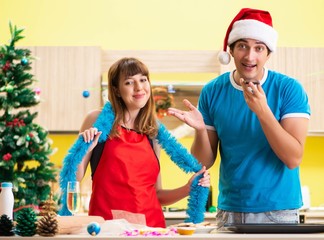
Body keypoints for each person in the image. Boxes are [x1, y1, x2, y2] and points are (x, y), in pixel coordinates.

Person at [168, 8, 310, 227]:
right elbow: (203, 163)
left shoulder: (288, 89)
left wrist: (263, 112)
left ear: (268, 53)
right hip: (229, 212)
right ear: (231, 51)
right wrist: (199, 130)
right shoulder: (213, 91)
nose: (250, 56)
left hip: (278, 211)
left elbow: (293, 158)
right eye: (242, 46)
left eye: (259, 48)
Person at [76, 57, 210, 228]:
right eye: (129, 82)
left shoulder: (152, 133)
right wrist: (85, 147)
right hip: (108, 230)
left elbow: (157, 195)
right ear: (116, 90)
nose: (139, 87)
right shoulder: (97, 120)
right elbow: (73, 177)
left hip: (151, 230)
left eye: (143, 80)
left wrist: (187, 188)